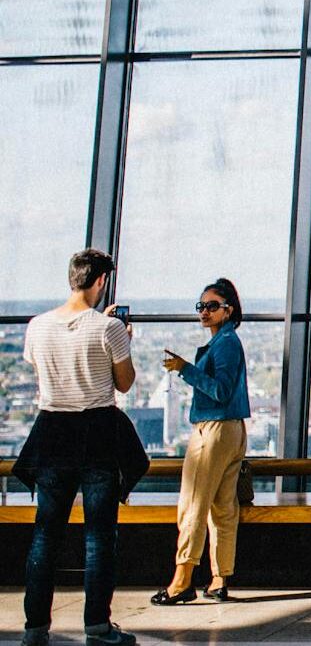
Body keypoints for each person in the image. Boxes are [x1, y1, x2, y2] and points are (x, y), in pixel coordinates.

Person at [16, 249, 144, 646]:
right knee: (99, 536)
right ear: (101, 282)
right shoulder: (108, 330)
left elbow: (41, 371)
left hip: (52, 432)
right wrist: (123, 340)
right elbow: (124, 383)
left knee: (45, 534)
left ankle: (35, 628)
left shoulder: (37, 326)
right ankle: (98, 627)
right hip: (97, 435)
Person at [151, 278, 251, 605]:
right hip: (231, 431)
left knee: (193, 504)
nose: (204, 312)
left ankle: (182, 580)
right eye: (201, 306)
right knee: (222, 507)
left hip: (214, 430)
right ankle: (219, 578)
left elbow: (219, 390)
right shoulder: (227, 342)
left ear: (229, 310)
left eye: (212, 306)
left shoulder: (225, 344)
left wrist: (185, 369)